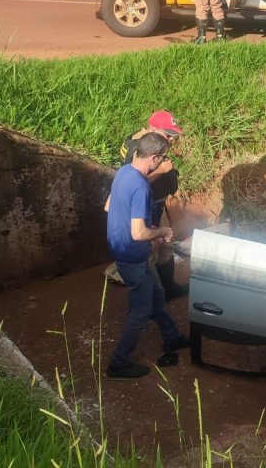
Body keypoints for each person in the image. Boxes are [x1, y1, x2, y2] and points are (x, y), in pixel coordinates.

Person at [104, 133, 190, 379]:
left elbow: (108, 207)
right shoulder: (141, 186)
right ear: (153, 157)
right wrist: (162, 231)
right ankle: (118, 364)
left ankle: (172, 338)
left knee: (157, 295)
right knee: (140, 312)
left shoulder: (123, 173)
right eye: (162, 158)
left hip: (129, 251)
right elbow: (139, 231)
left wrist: (148, 238)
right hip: (133, 256)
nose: (162, 163)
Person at [105, 110, 188, 302]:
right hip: (145, 207)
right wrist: (163, 170)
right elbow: (136, 180)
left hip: (155, 202)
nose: (171, 139)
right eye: (167, 134)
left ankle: (167, 289)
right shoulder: (138, 147)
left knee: (164, 245)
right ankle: (153, 295)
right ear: (152, 128)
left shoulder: (144, 141)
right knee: (153, 248)